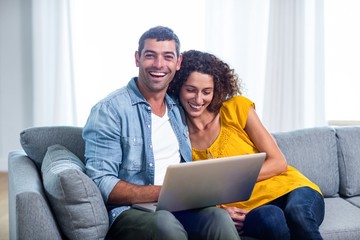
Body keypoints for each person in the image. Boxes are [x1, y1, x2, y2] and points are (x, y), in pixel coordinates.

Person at [82, 27, 240, 240]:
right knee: (165, 223)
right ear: (137, 58)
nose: (158, 64)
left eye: (167, 57)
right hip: (131, 212)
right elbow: (101, 181)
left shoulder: (178, 107)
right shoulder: (110, 110)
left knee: (218, 218)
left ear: (178, 63)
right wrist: (166, 192)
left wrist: (212, 202)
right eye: (150, 55)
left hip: (182, 206)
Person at [168, 50, 325, 240]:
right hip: (252, 210)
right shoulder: (175, 136)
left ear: (216, 90)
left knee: (298, 213)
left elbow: (278, 162)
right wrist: (221, 209)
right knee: (271, 220)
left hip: (293, 189)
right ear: (177, 87)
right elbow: (184, 192)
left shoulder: (237, 108)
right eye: (191, 90)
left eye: (206, 92)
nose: (198, 99)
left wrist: (224, 181)